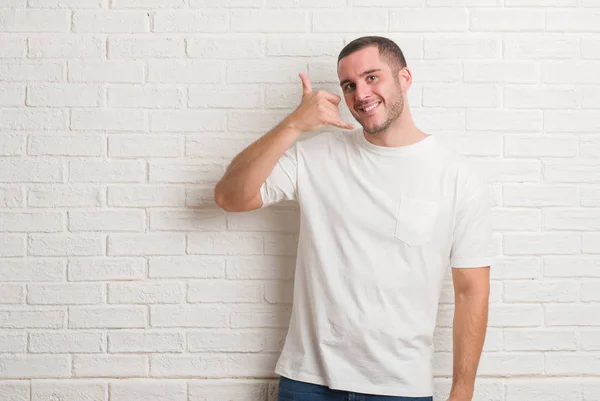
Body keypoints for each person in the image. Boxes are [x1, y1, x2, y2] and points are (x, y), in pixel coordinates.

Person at [214, 36, 494, 401]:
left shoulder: (456, 176)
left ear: (404, 78)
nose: (360, 94)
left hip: (401, 388)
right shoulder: (315, 157)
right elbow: (229, 196)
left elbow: (471, 289)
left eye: (372, 78)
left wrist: (463, 390)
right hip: (309, 382)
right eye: (349, 85)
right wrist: (294, 125)